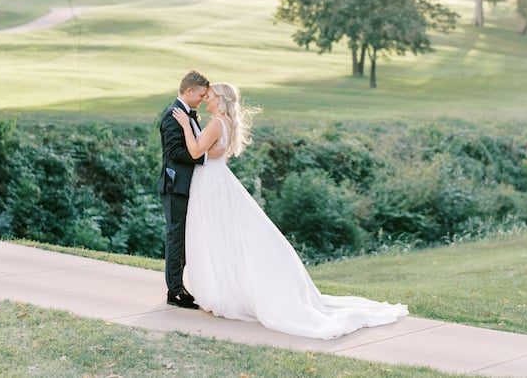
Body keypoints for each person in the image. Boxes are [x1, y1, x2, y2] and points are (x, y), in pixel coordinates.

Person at [171, 82, 408, 339]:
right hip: (217, 183)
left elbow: (195, 151)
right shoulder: (225, 122)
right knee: (223, 237)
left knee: (214, 236)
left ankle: (222, 292)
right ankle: (225, 290)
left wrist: (185, 125)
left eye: (211, 96)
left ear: (221, 99)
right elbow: (217, 155)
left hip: (210, 187)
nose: (206, 99)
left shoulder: (216, 122)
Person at [158, 70, 210, 309]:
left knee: (186, 238)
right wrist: (202, 156)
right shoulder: (172, 115)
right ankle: (174, 291)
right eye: (200, 95)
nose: (202, 99)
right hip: (175, 186)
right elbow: (173, 153)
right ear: (188, 91)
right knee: (176, 237)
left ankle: (181, 287)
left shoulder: (189, 115)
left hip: (189, 186)